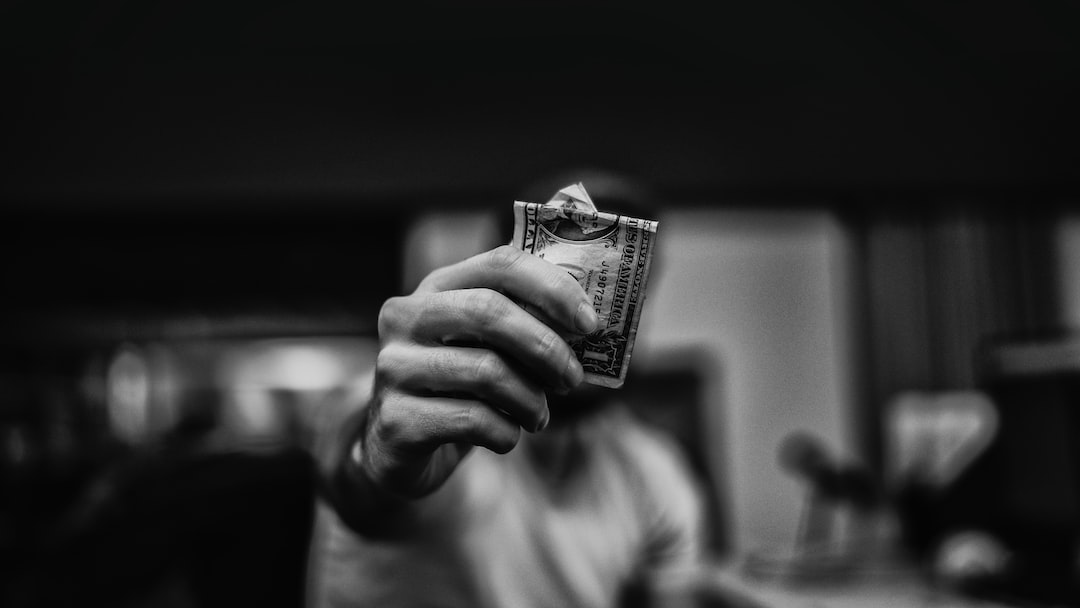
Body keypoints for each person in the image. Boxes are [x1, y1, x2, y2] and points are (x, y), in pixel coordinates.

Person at [305, 176, 711, 608]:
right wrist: (376, 460)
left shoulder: (653, 471)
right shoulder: (423, 407)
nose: (589, 315)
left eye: (619, 294)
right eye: (569, 279)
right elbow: (355, 480)